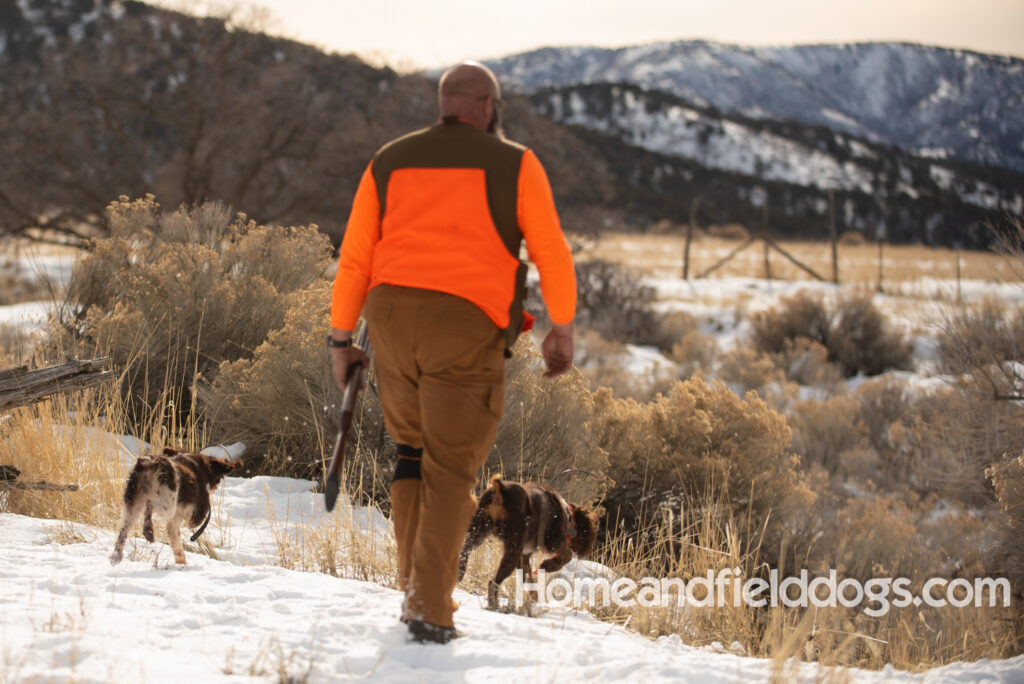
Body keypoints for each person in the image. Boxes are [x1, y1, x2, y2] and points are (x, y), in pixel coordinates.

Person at [328, 61, 577, 644]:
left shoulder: (389, 159)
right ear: (488, 105)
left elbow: (355, 258)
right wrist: (560, 329)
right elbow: (552, 253)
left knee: (412, 457)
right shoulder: (515, 162)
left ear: (444, 104)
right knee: (449, 469)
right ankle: (429, 607)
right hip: (464, 325)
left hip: (388, 322)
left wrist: (342, 339)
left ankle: (415, 587)